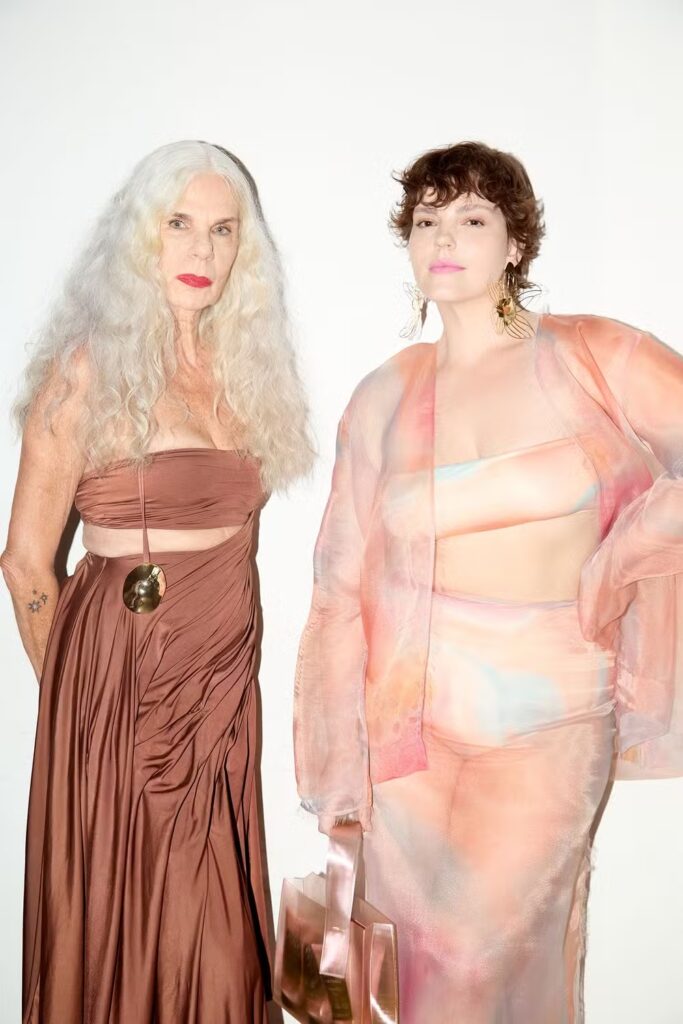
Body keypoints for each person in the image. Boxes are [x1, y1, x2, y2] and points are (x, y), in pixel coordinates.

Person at [293, 140, 683, 1023]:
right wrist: (337, 776)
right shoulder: (383, 395)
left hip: (549, 714)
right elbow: (337, 591)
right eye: (425, 220)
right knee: (413, 967)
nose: (444, 238)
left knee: (477, 959)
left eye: (471, 218)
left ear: (516, 243)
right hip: (407, 732)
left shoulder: (592, 355)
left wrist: (619, 562)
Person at [2, 139, 313, 1024]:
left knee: (215, 938)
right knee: (142, 926)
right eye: (179, 224)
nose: (201, 250)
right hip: (127, 695)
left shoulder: (244, 375)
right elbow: (25, 561)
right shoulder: (87, 371)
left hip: (219, 694)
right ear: (141, 236)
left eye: (222, 230)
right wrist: (85, 703)